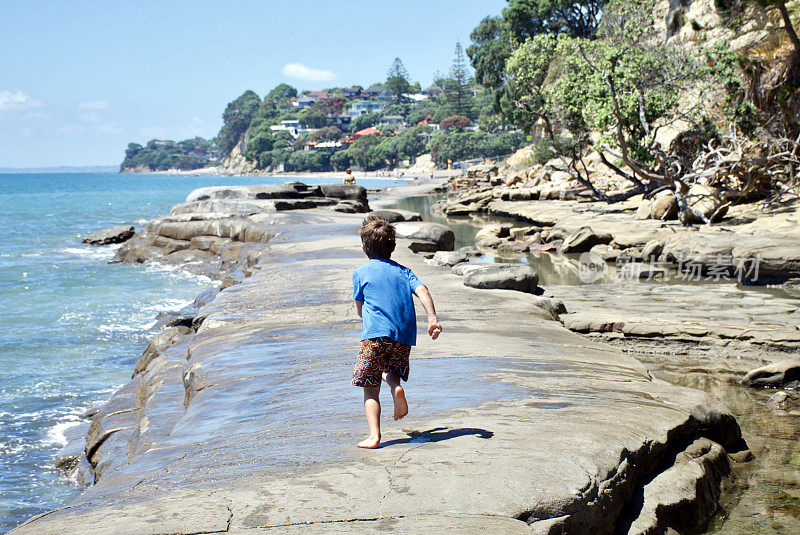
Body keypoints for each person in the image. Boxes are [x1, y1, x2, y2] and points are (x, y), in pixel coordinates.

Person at [351, 217, 442, 449]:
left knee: (370, 386)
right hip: (402, 336)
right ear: (393, 246)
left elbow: (360, 309)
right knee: (391, 369)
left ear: (364, 246)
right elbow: (422, 290)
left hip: (374, 335)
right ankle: (395, 387)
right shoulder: (405, 272)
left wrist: (365, 312)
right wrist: (432, 319)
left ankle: (375, 436)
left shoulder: (361, 272)